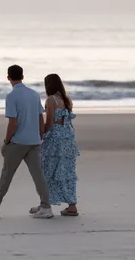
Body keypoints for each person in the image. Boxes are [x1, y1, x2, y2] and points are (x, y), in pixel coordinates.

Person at [0, 65, 54, 219]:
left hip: (18, 142)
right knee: (39, 176)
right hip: (34, 141)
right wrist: (39, 136)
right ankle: (46, 206)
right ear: (23, 76)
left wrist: (7, 140)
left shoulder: (12, 96)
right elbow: (40, 118)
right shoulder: (33, 94)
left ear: (8, 78)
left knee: (7, 174)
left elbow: (13, 122)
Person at [30, 73, 80, 217]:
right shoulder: (66, 99)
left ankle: (44, 205)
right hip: (68, 139)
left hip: (55, 140)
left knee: (47, 171)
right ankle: (72, 206)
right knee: (67, 172)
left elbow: (50, 123)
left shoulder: (51, 100)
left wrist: (40, 134)